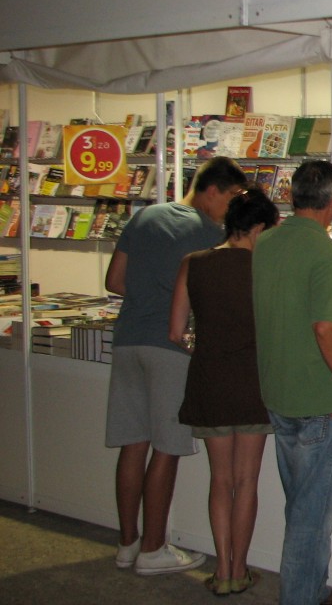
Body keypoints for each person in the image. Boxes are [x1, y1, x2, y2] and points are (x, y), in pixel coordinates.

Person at [104, 155, 247, 575]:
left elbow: (114, 281)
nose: (234, 206)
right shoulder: (211, 233)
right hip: (172, 346)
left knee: (133, 444)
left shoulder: (145, 216)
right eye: (233, 196)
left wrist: (150, 293)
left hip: (128, 339)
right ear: (212, 190)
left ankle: (127, 543)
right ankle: (153, 549)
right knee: (166, 448)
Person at [252, 160, 332, 605]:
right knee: (311, 517)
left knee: (299, 504)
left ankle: (310, 589)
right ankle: (299, 596)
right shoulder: (325, 252)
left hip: (278, 389)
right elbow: (326, 328)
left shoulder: (266, 241)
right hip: (318, 397)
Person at [168, 185, 280, 595]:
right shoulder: (267, 269)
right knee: (247, 480)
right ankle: (239, 569)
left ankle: (221, 571)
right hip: (254, 384)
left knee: (220, 480)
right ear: (259, 228)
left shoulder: (193, 263)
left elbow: (176, 331)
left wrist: (205, 344)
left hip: (210, 382)